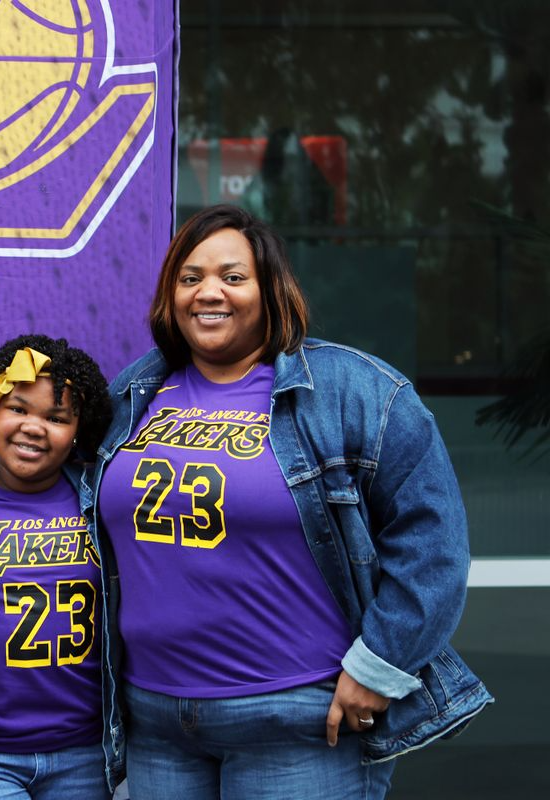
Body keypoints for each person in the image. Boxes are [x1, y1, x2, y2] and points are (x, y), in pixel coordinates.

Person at [92, 204, 492, 798]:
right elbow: (54, 469)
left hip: (298, 721)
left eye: (233, 277)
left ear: (270, 289)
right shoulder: (132, 392)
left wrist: (379, 666)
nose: (209, 293)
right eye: (190, 277)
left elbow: (433, 544)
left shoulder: (352, 392)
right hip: (157, 724)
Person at [0, 334, 122, 799]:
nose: (33, 427)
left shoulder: (105, 500)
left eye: (56, 418)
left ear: (78, 431)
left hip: (84, 755)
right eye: (17, 409)